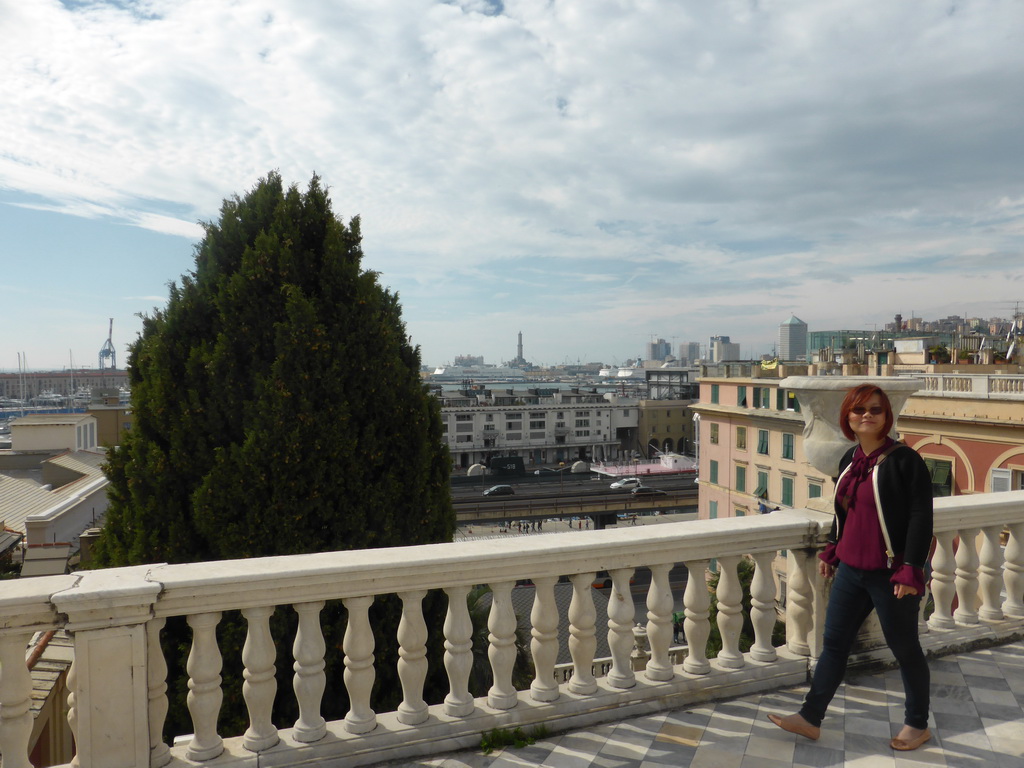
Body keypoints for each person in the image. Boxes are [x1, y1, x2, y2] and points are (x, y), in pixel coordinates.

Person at [768, 384, 934, 752]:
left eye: (875, 410)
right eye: (858, 410)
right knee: (833, 646)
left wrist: (911, 568)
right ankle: (810, 718)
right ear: (847, 417)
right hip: (852, 572)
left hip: (891, 574)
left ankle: (917, 724)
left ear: (886, 416)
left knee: (905, 648)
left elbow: (922, 517)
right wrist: (832, 548)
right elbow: (844, 512)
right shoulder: (850, 460)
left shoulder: (905, 460)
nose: (866, 416)